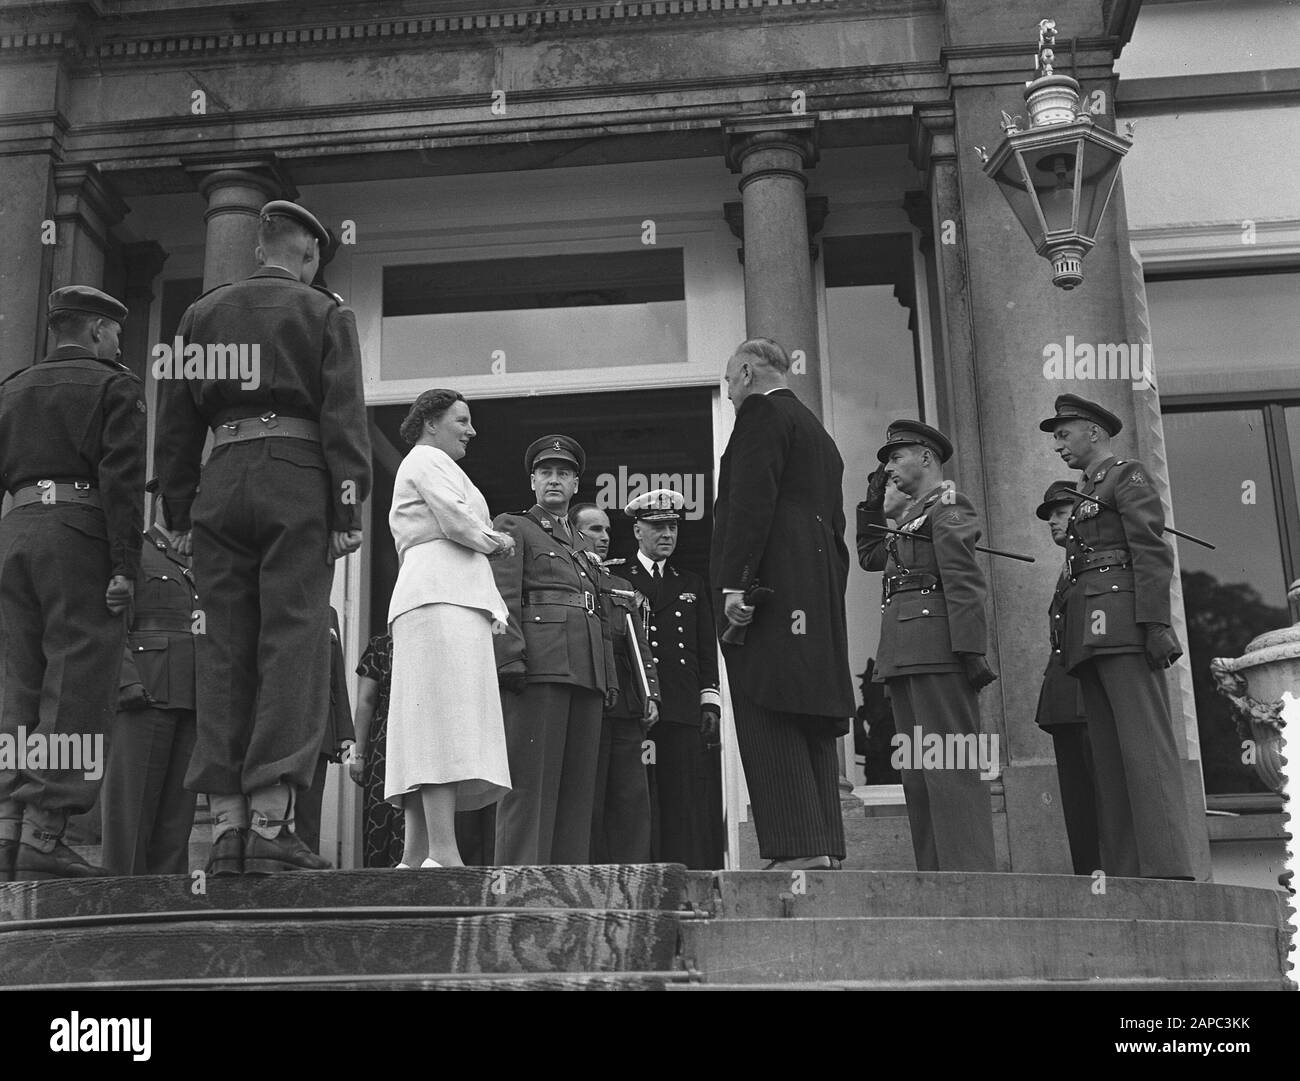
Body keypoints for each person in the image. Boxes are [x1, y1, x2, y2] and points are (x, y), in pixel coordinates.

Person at [155, 199, 372, 875]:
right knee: (292, 641)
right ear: (308, 254)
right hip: (297, 480)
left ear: (259, 248)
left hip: (222, 479)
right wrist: (346, 508)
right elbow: (344, 417)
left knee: (220, 646)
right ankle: (273, 823)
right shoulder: (325, 312)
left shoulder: (201, 314)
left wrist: (180, 512)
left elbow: (176, 425)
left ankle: (226, 828)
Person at [0, 286, 145, 882]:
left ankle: (8, 827)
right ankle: (46, 833)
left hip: (16, 531)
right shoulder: (114, 386)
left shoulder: (12, 387)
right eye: (114, 332)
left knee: (17, 684)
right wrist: (123, 565)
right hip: (78, 533)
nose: (118, 343)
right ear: (94, 331)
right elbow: (121, 482)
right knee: (78, 683)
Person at [712, 338, 854, 871]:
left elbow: (750, 502)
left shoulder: (760, 413)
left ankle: (797, 848)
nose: (728, 393)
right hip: (814, 593)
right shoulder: (819, 432)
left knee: (766, 702)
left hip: (767, 593)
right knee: (810, 709)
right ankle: (824, 845)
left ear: (747, 371)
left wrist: (734, 583)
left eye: (728, 381)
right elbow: (835, 529)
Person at [1039, 393, 1194, 879]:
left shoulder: (1127, 475)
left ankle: (1168, 869)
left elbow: (1150, 550)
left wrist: (1154, 623)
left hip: (1123, 623)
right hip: (1090, 630)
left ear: (1093, 431)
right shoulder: (1087, 487)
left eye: (1063, 434)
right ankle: (1126, 870)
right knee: (1109, 761)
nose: (1058, 445)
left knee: (1144, 747)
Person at [857, 420, 997, 872]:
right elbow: (870, 557)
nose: (890, 468)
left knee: (952, 769)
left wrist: (971, 651)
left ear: (926, 457)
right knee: (918, 777)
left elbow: (963, 582)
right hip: (903, 653)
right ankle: (935, 875)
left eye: (896, 458)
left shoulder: (948, 506)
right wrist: (871, 503)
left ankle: (970, 878)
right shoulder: (912, 515)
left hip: (939, 651)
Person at [385, 389, 514, 868]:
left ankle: (417, 854)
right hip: (440, 595)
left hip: (443, 594)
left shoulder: (432, 462)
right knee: (439, 722)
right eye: (462, 419)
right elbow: (457, 520)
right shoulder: (426, 459)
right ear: (431, 422)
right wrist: (497, 541)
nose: (471, 430)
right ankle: (443, 851)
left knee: (430, 721)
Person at [491, 435, 618, 865]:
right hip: (540, 666)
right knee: (531, 784)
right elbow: (502, 595)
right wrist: (509, 655)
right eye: (546, 472)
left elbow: (597, 611)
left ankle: (566, 884)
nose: (554, 480)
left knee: (576, 790)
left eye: (563, 473)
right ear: (532, 480)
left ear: (575, 484)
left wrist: (609, 677)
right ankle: (518, 883)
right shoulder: (515, 525)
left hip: (585, 671)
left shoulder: (581, 547)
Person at [101, 478, 199, 876]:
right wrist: (125, 683)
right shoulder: (134, 554)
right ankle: (121, 909)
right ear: (161, 501)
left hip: (192, 700)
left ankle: (168, 914)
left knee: (177, 820)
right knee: (130, 815)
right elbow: (110, 625)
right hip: (144, 695)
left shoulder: (203, 559)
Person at [621, 489, 723, 870]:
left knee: (685, 801)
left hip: (681, 707)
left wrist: (709, 701)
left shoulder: (691, 582)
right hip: (639, 706)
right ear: (638, 531)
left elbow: (703, 648)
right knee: (640, 800)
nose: (667, 534)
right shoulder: (618, 578)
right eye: (657, 526)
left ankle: (688, 877)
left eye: (672, 527)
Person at [569, 503, 660, 864]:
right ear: (573, 532)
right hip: (587, 698)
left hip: (625, 705)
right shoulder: (567, 577)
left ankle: (634, 874)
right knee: (586, 797)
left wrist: (651, 693)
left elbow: (639, 644)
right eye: (594, 530)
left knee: (630, 797)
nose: (604, 538)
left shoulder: (621, 585)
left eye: (606, 530)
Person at [1033, 480, 1100, 876]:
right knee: (1078, 800)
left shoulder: (1093, 560)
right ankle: (1091, 872)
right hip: (1066, 696)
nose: (1053, 522)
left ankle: (1107, 872)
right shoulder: (1070, 566)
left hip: (1089, 692)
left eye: (1060, 512)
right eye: (1050, 516)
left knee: (1101, 794)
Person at [296, 610, 356, 857]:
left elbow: (337, 676)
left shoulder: (328, 613)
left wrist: (346, 736)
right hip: (279, 727)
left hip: (320, 728)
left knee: (309, 820)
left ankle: (306, 886)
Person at [348, 632, 405, 868]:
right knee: (379, 821)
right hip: (384, 742)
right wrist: (356, 755)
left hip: (423, 739)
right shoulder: (381, 645)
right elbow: (366, 701)